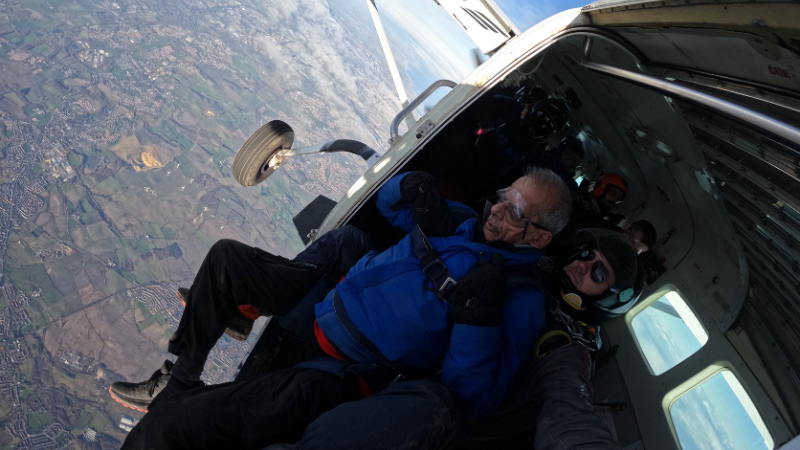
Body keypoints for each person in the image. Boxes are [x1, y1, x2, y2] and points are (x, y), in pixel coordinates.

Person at [114, 167, 572, 450]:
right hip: (326, 301)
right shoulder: (463, 222)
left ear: (538, 238)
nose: (495, 211)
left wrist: (477, 322)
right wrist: (409, 186)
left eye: (514, 212)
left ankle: (180, 402)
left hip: (341, 371)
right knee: (226, 258)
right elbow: (388, 207)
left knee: (172, 430)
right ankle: (178, 380)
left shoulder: (519, 298)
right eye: (501, 197)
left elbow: (469, 399)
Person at [288, 228, 643, 450]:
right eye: (586, 255)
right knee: (349, 240)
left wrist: (478, 321)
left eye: (598, 272)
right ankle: (283, 327)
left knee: (433, 407)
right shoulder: (535, 262)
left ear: (605, 301)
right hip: (400, 330)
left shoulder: (563, 344)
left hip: (415, 381)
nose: (582, 265)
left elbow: (569, 412)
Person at [547, 173, 630, 256]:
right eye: (613, 194)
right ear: (600, 189)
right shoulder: (571, 201)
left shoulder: (603, 225)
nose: (614, 200)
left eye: (619, 199)